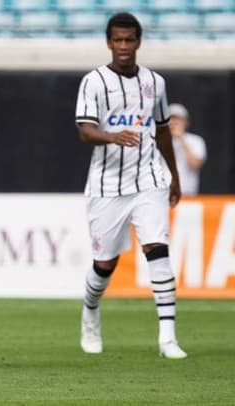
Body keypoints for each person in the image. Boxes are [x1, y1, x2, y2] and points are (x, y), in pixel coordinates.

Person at [74, 13, 187, 359]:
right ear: (109, 43)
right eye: (118, 40)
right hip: (106, 186)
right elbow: (84, 131)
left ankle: (167, 338)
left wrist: (173, 176)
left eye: (130, 40)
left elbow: (164, 130)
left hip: (148, 180)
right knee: (105, 264)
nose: (124, 47)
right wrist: (111, 136)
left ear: (139, 42)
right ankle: (90, 311)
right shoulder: (93, 82)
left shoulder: (155, 82)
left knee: (157, 249)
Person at [168, 103, 207, 196]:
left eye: (178, 119)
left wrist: (181, 139)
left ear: (186, 123)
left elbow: (195, 164)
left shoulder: (196, 141)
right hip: (162, 195)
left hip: (187, 194)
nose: (174, 122)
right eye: (171, 119)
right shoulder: (157, 140)